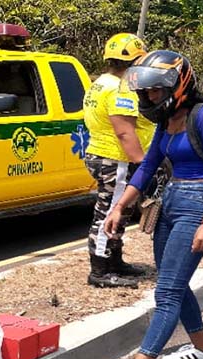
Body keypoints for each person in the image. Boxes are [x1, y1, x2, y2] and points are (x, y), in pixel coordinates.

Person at [81, 50, 203, 359]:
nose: (148, 98)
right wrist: (120, 207)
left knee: (167, 294)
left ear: (178, 85)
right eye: (144, 93)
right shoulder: (166, 121)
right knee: (172, 282)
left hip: (198, 205)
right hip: (172, 201)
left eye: (155, 92)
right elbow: (147, 167)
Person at [83, 33, 156, 288]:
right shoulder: (120, 88)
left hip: (102, 154)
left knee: (119, 211)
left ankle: (115, 261)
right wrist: (145, 166)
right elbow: (124, 131)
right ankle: (100, 271)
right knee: (110, 213)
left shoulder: (100, 82)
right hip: (116, 159)